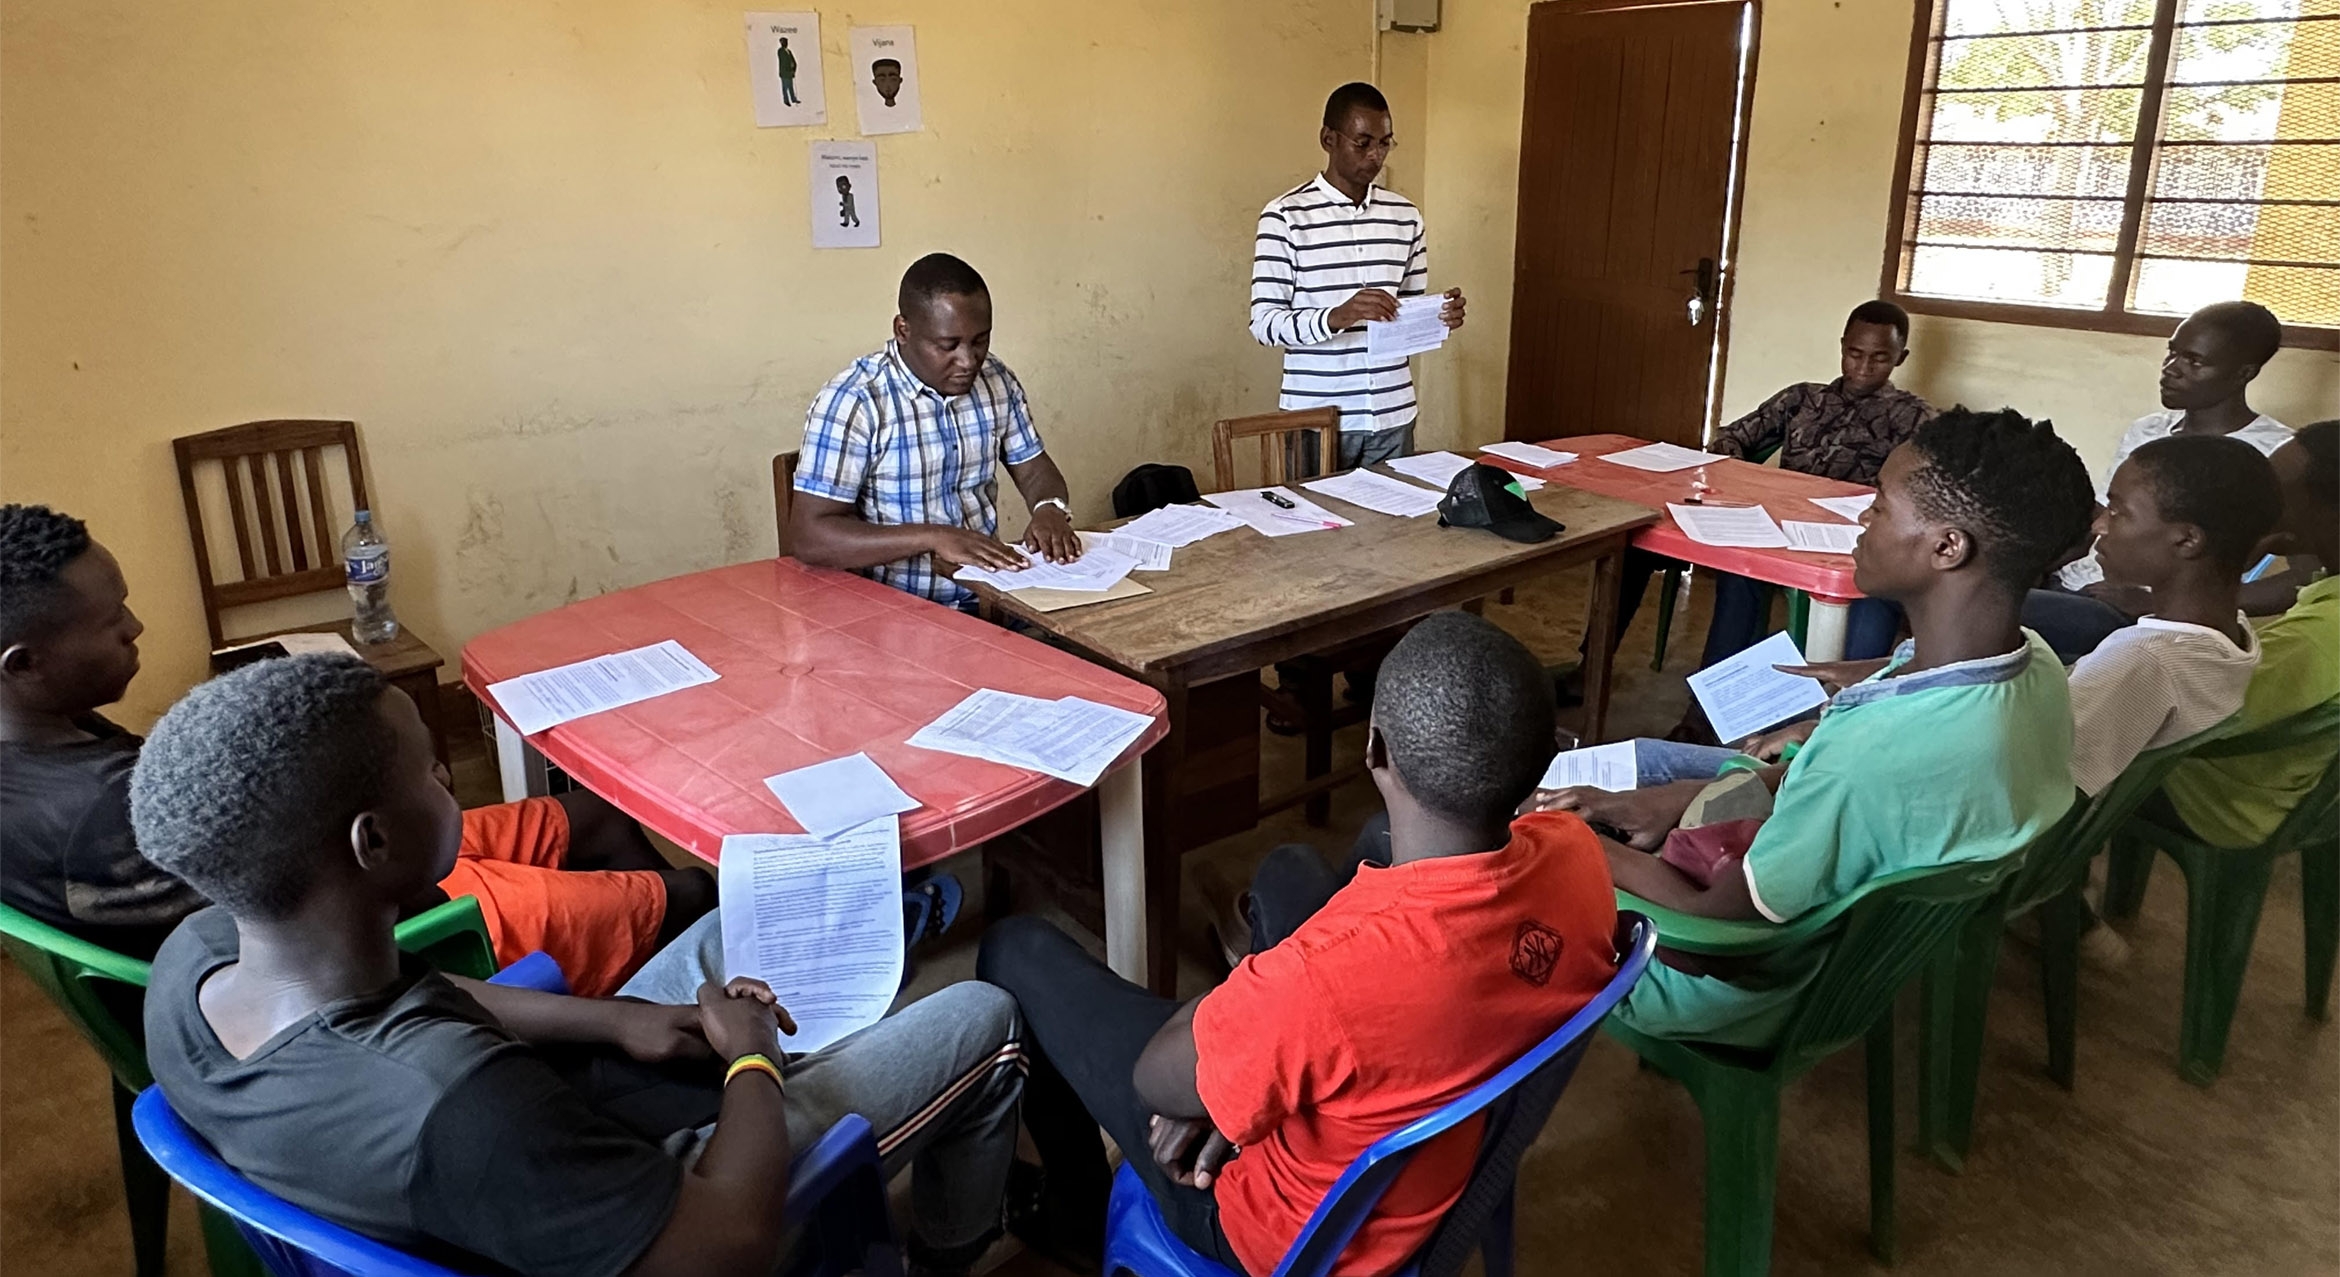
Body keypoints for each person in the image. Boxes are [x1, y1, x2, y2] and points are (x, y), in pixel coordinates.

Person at [135, 654, 1026, 1277]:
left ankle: (813, 1022)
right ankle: (952, 1249)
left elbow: (414, 997)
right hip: (670, 1203)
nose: (449, 772)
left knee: (733, 929)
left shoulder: (201, 957)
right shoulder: (463, 1109)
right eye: (429, 771)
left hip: (540, 1138)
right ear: (373, 842)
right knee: (982, 1011)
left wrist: (615, 1017)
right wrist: (750, 1058)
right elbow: (727, 1249)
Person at [981, 611, 1620, 1274]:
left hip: (1275, 1231)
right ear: (1544, 760)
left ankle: (1074, 1216)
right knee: (1289, 869)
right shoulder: (1578, 857)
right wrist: (1249, 1047)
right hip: (1415, 1142)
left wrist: (1231, 1062)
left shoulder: (1323, 979)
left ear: (1374, 750)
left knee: (1014, 950)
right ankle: (1247, 1064)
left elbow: (1157, 1081)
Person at [1538, 408, 2091, 1047]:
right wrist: (1679, 799)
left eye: (1881, 506)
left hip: (1729, 980)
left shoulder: (1874, 751)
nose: (1863, 519)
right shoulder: (2039, 665)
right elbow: (1849, 772)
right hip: (1846, 928)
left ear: (1947, 546)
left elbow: (1716, 913)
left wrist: (1580, 845)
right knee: (1645, 776)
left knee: (1509, 850)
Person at [0, 505, 711, 996]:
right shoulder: (99, 815)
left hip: (364, 861)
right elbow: (304, 900)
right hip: (392, 924)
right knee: (692, 891)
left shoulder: (49, 747)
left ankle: (623, 964)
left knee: (597, 816)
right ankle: (643, 991)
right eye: (108, 620)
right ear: (23, 663)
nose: (135, 625)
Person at [1566, 302, 1931, 703]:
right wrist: (1741, 481)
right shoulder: (1802, 399)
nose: (1863, 368)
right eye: (1855, 354)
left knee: (1855, 591)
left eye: (1880, 358)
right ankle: (1593, 673)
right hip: (1769, 528)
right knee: (1637, 545)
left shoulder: (1914, 418)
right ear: (1842, 346)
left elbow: (1930, 483)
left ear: (1901, 358)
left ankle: (1811, 714)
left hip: (1843, 544)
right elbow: (1730, 439)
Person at [791, 252, 1082, 614]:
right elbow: (809, 536)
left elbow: (1035, 469)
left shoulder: (995, 380)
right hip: (893, 614)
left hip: (992, 599)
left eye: (980, 341)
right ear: (903, 330)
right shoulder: (856, 400)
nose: (969, 360)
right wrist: (934, 536)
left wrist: (1049, 509)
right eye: (948, 345)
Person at [2026, 300, 2295, 659]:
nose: (2171, 370)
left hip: (2137, 612)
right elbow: (2103, 519)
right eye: (2172, 354)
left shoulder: (2277, 452)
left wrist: (2159, 603)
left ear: (2244, 373)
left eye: (2194, 361)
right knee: (1976, 585)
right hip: (2077, 582)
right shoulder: (2148, 430)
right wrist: (2035, 560)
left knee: (1964, 605)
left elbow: (2303, 577)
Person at [1249, 81, 1466, 472]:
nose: (1375, 155)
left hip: (1392, 412)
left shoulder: (1405, 217)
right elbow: (1265, 326)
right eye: (1362, 142)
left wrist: (1440, 318)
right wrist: (1338, 316)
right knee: (1317, 531)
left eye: (1385, 143)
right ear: (1328, 139)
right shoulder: (1285, 217)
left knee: (1393, 530)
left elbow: (1407, 312)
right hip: (1316, 417)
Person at [2156, 420, 2339, 849]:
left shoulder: (2320, 635)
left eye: (2273, 491)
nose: (2252, 504)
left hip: (2230, 803)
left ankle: (2060, 904)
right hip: (2297, 787)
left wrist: (2209, 578)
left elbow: (2198, 712)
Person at [2061, 436, 2275, 798]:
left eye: (2118, 512)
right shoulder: (2232, 632)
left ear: (2187, 540)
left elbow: (2047, 785)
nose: (2099, 526)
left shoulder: (2142, 660)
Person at [776, 36, 798, 106]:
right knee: (785, 87)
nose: (786, 43)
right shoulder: (780, 51)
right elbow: (784, 62)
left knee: (791, 87)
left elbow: (793, 60)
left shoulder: (789, 51)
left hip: (790, 72)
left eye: (786, 42)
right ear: (781, 43)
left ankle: (793, 99)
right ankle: (786, 101)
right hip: (784, 72)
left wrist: (794, 68)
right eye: (784, 42)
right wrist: (790, 67)